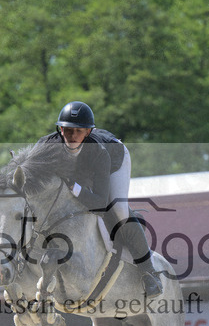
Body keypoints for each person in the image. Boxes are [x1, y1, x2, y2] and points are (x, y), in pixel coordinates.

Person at [37, 101, 162, 297]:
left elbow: (100, 204)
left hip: (115, 160)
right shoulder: (46, 147)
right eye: (68, 130)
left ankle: (150, 272)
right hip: (81, 172)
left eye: (79, 131)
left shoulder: (100, 151)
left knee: (118, 211)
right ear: (60, 129)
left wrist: (75, 188)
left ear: (87, 132)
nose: (72, 137)